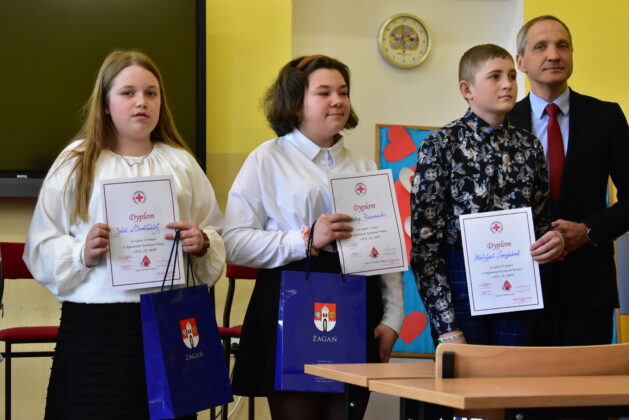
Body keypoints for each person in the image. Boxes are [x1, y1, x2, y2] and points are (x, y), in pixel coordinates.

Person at [23, 50, 226, 420]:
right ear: (104, 104)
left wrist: (202, 243)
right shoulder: (76, 163)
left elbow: (213, 228)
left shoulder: (180, 163)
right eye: (128, 93)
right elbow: (40, 244)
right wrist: (81, 253)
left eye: (151, 93)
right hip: (97, 329)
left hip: (167, 321)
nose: (141, 102)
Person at [222, 54, 404, 420]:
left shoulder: (364, 166)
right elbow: (235, 243)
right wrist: (304, 241)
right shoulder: (266, 160)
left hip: (356, 302)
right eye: (324, 93)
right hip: (290, 300)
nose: (337, 101)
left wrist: (393, 318)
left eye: (343, 92)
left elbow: (385, 251)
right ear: (295, 103)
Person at [410, 44, 565, 347]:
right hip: (460, 288)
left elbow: (541, 220)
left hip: (519, 287)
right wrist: (445, 324)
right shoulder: (440, 145)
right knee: (465, 376)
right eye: (495, 76)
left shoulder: (529, 146)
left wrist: (553, 238)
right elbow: (425, 243)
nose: (508, 84)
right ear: (467, 89)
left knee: (512, 375)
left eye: (511, 76)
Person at [510, 15, 629, 346]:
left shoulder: (606, 117)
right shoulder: (503, 122)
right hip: (518, 288)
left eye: (562, 45)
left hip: (587, 289)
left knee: (586, 382)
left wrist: (588, 231)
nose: (554, 55)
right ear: (521, 61)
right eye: (541, 46)